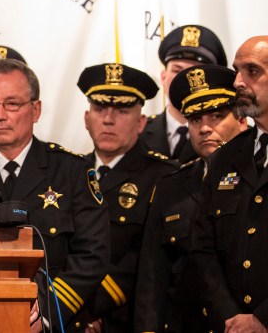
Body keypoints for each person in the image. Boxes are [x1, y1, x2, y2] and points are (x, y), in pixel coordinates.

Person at [0, 58, 109, 331]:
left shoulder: (71, 170)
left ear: (36, 110)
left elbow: (92, 255)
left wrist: (46, 311)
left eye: (12, 104)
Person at [135, 64, 246, 332]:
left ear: (242, 120)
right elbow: (152, 276)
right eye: (195, 119)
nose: (205, 128)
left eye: (217, 116)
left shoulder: (258, 178)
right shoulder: (171, 186)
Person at [76, 63, 177, 331]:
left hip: (130, 320)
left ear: (141, 123)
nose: (108, 120)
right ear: (86, 118)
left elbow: (148, 261)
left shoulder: (164, 177)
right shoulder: (69, 172)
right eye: (100, 109)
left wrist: (86, 309)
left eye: (122, 111)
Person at [192, 35, 268, 331]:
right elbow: (203, 248)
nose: (237, 82)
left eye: (252, 71)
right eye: (237, 71)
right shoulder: (224, 158)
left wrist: (262, 319)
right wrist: (230, 316)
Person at [141, 25, 228, 163]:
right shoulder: (137, 133)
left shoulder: (234, 135)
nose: (184, 80)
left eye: (195, 74)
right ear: (163, 77)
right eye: (177, 71)